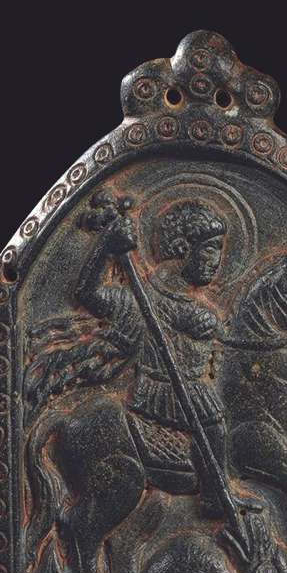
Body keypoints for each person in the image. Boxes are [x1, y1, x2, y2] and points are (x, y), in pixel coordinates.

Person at [75, 198, 238, 518]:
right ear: (182, 248)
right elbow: (87, 295)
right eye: (210, 249)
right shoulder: (141, 298)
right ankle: (214, 498)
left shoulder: (200, 307)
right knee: (215, 425)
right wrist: (105, 247)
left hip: (191, 388)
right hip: (163, 393)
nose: (217, 261)